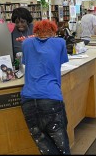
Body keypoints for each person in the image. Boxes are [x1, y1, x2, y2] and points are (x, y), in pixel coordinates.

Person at [20, 19, 71, 155]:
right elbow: (61, 61)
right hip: (51, 97)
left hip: (28, 99)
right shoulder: (60, 42)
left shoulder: (26, 43)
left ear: (35, 31)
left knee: (43, 143)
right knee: (61, 144)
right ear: (54, 32)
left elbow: (26, 61)